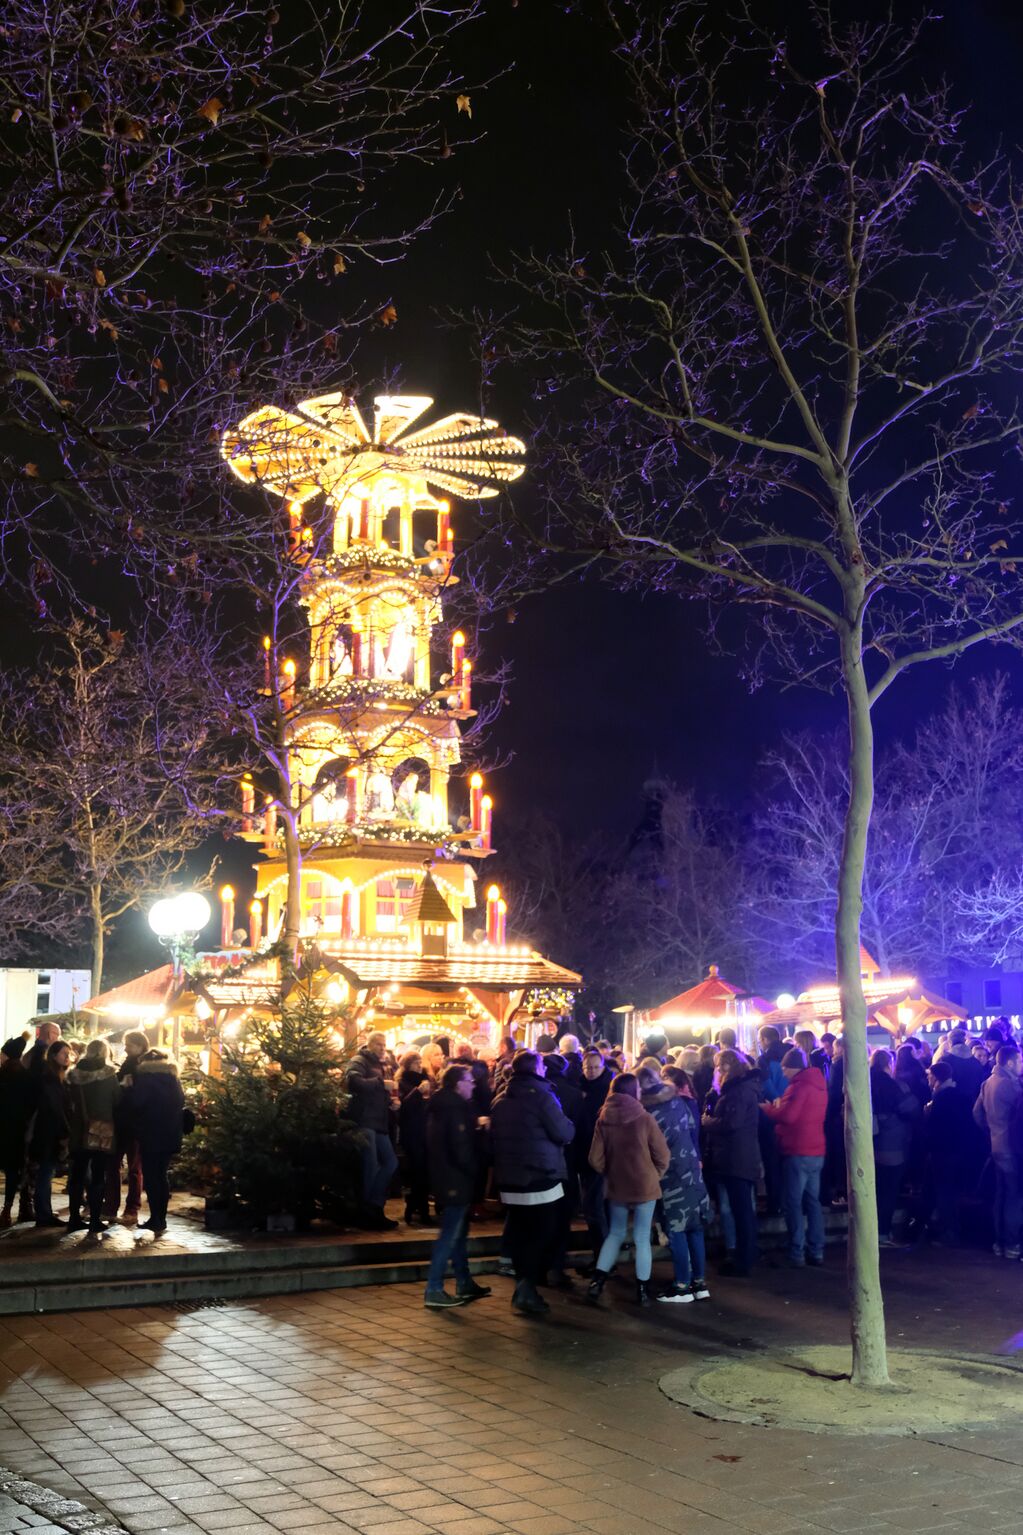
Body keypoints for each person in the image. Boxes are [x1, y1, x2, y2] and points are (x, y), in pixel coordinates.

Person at [490, 1050, 574, 1317]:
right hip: (541, 1177)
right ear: (537, 1069)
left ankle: (524, 1286)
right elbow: (563, 1132)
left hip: (510, 1179)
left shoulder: (500, 1099)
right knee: (542, 1233)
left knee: (521, 1232)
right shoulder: (542, 1097)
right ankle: (526, 1288)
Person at [587, 1074, 670, 1306]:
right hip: (644, 1184)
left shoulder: (603, 1118)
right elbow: (663, 1154)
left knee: (615, 1233)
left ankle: (597, 1282)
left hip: (617, 1185)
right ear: (634, 1091)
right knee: (642, 1237)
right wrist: (654, 1175)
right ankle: (642, 1291)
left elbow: (594, 1158)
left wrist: (611, 1172)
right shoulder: (644, 1118)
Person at [638, 1066, 711, 1303]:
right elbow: (692, 1129)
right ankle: (699, 1283)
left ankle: (681, 1287)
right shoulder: (678, 1101)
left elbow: (649, 1146)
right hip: (691, 1169)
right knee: (695, 1227)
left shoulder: (647, 1111)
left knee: (676, 1228)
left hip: (670, 1175)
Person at [423, 1064, 491, 1309]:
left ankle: (464, 1281)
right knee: (450, 1234)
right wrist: (475, 1167)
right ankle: (434, 1288)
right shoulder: (454, 1109)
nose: (473, 1085)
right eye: (469, 1081)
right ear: (457, 1084)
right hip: (455, 1179)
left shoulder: (445, 1107)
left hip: (448, 1177)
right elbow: (460, 1148)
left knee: (459, 1233)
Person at [761, 1047, 827, 1267]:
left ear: (792, 1067)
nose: (783, 1072)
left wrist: (769, 1109)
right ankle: (816, 1250)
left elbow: (789, 1116)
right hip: (816, 1149)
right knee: (813, 1202)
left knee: (793, 1202)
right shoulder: (819, 1084)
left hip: (797, 1149)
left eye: (784, 1068)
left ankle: (796, 1251)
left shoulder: (799, 1086)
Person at [702, 1050, 760, 1277]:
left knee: (741, 1211)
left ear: (727, 1067)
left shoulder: (739, 1091)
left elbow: (731, 1123)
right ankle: (745, 1256)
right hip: (738, 1157)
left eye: (719, 1066)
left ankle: (744, 1260)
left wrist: (708, 1122)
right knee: (742, 1210)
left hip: (736, 1158)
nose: (716, 1071)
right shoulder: (740, 1089)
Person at [126, 1049, 185, 1233]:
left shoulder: (146, 1079)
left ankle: (155, 1218)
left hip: (150, 1133)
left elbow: (137, 1103)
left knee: (151, 1177)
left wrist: (129, 1089)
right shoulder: (174, 1079)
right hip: (170, 1133)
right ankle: (161, 1218)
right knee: (161, 1175)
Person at [66, 1038, 122, 1234]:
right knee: (98, 1174)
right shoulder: (109, 1075)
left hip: (79, 1131)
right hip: (101, 1131)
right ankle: (95, 1220)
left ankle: (74, 1218)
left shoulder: (74, 1075)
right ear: (105, 1053)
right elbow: (117, 1101)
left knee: (77, 1175)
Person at [346, 1031, 399, 1230]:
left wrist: (391, 1102)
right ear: (369, 1045)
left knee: (390, 1162)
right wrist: (380, 1084)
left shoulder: (382, 1065)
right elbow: (353, 1081)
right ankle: (368, 1212)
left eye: (384, 1044)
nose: (382, 1048)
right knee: (370, 1165)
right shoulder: (360, 1060)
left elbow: (378, 1093)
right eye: (378, 1044)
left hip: (379, 1122)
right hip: (364, 1120)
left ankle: (374, 1205)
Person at [974, 1044, 1023, 1258]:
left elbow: (977, 1113)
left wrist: (991, 1131)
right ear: (1010, 1063)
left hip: (996, 1144)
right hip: (1011, 1146)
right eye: (1020, 1061)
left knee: (1001, 1194)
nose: (1022, 1065)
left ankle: (999, 1241)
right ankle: (1012, 1243)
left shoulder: (988, 1082)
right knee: (1014, 1196)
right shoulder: (1010, 1086)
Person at [923, 1060, 976, 1246]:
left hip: (943, 1152)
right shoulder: (961, 1095)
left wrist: (927, 1114)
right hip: (958, 1150)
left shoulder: (941, 1098)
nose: (928, 1080)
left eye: (930, 1077)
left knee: (945, 1192)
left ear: (936, 1078)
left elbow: (935, 1128)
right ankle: (952, 1230)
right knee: (951, 1191)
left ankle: (949, 1233)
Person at [870, 1047, 919, 1246]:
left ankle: (870, 1231)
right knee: (888, 1190)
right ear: (889, 1064)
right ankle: (882, 1232)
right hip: (892, 1145)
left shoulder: (864, 1082)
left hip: (869, 1144)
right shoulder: (894, 1086)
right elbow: (911, 1110)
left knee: (873, 1189)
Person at [104, 1029, 149, 1224]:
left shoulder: (144, 1068)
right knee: (117, 1165)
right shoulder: (127, 1065)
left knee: (133, 1168)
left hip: (134, 1124)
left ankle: (130, 1209)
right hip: (123, 1122)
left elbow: (139, 1097)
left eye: (129, 1045)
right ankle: (113, 1207)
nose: (126, 1048)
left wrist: (126, 1087)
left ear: (140, 1045)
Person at [30, 1039, 73, 1227]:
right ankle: (44, 1214)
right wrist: (65, 1132)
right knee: (45, 1173)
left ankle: (44, 1213)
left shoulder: (58, 1077)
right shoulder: (50, 1078)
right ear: (54, 1055)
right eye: (64, 1053)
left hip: (50, 1132)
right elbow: (55, 1108)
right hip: (48, 1133)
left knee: (46, 1173)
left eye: (69, 1054)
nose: (67, 1057)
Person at [0, 1037, 33, 1227]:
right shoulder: (25, 1076)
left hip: (6, 1130)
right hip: (18, 1131)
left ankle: (6, 1210)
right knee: (13, 1172)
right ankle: (7, 1209)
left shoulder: (3, 1074)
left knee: (11, 1171)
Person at [397, 1051, 432, 1225]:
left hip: (426, 1131)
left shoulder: (427, 1079)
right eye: (416, 1062)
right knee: (417, 1171)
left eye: (420, 1062)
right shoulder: (402, 1082)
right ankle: (418, 1208)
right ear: (408, 1065)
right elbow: (403, 1107)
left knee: (424, 1172)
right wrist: (418, 1092)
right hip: (412, 1132)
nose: (419, 1065)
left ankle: (415, 1205)